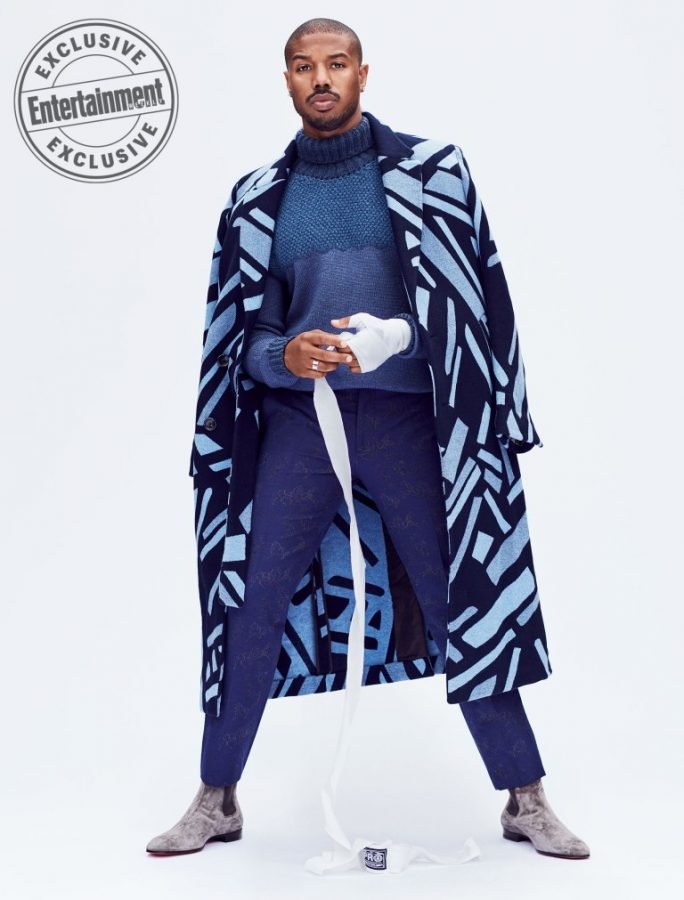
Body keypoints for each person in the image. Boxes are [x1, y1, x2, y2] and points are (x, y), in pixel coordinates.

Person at [146, 17, 590, 861]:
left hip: (412, 423)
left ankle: (526, 797)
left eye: (336, 63)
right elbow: (243, 337)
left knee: (464, 599)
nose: (321, 78)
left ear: (362, 73)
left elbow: (473, 304)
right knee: (250, 599)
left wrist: (399, 339)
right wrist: (285, 355)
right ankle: (217, 797)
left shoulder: (435, 173)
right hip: (300, 425)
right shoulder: (256, 200)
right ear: (287, 79)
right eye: (303, 66)